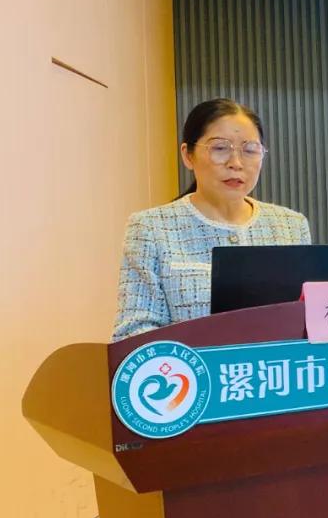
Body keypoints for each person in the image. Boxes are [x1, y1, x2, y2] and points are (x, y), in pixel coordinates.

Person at [112, 98, 311, 340]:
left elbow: (309, 320)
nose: (236, 163)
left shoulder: (291, 226)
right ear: (188, 155)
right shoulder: (151, 228)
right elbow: (133, 333)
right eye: (220, 148)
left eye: (250, 150)